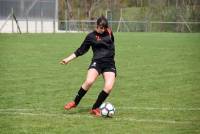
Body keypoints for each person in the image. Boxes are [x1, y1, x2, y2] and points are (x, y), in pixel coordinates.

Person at [60, 16, 116, 117]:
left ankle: (95, 108)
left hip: (109, 64)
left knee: (108, 87)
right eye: (100, 27)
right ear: (97, 26)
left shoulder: (110, 32)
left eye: (104, 27)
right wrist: (67, 59)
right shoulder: (91, 36)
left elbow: (112, 45)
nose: (102, 30)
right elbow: (80, 50)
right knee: (89, 81)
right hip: (97, 63)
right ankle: (75, 102)